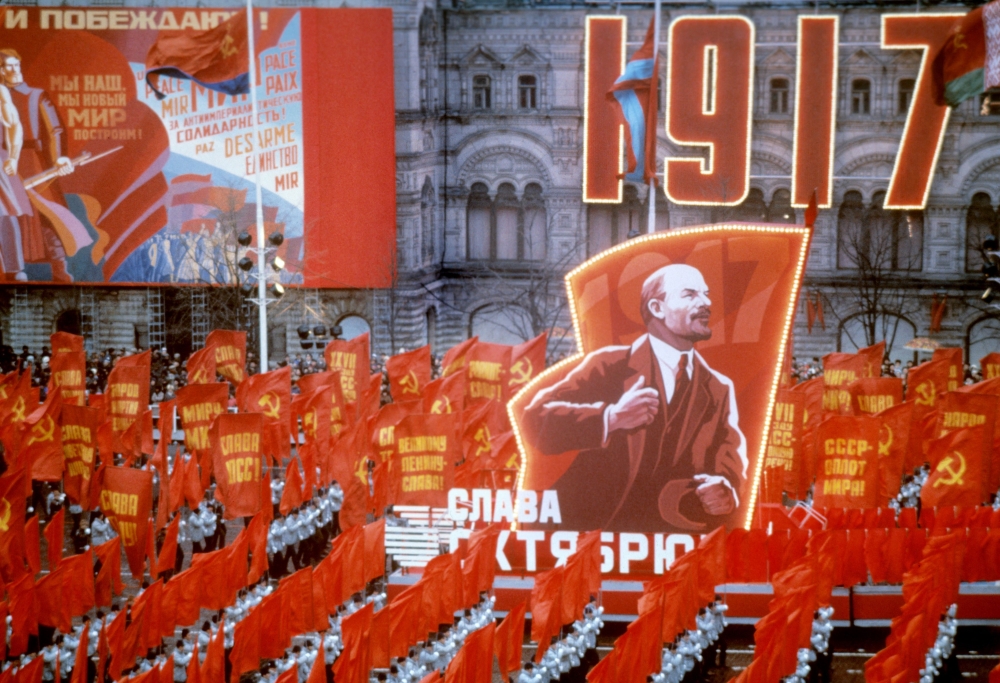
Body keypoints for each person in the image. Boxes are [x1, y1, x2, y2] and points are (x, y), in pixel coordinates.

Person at [522, 264, 747, 533]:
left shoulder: (718, 388)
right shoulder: (609, 366)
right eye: (690, 295)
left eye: (706, 294)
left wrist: (726, 491)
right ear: (657, 308)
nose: (706, 303)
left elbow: (729, 459)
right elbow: (534, 420)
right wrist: (611, 418)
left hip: (672, 543)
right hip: (591, 536)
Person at [0, 49, 90, 283]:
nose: (13, 70)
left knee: (47, 214)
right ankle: (13, 269)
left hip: (33, 162)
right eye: (7, 66)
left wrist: (59, 157)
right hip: (5, 162)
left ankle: (60, 269)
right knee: (9, 217)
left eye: (15, 64)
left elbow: (55, 129)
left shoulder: (36, 96)